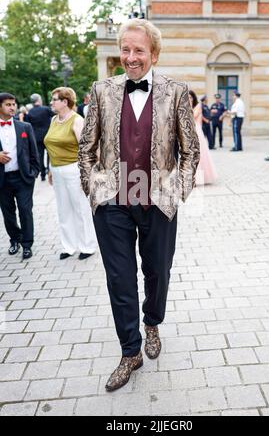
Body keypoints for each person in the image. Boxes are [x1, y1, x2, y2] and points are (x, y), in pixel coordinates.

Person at [78, 19, 200, 392]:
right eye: (125, 50)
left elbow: (189, 150)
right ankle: (129, 350)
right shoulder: (102, 90)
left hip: (157, 199)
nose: (130, 58)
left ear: (154, 54)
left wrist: (177, 189)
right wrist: (94, 190)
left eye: (139, 51)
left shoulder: (177, 92)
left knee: (158, 272)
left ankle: (152, 322)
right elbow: (86, 146)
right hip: (113, 200)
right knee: (119, 278)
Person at [44, 87, 98, 261]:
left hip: (74, 169)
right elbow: (51, 146)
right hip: (57, 170)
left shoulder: (77, 120)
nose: (51, 102)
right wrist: (51, 171)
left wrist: (86, 174)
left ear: (65, 102)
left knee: (80, 208)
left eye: (54, 99)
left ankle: (87, 246)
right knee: (63, 209)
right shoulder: (53, 119)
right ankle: (69, 246)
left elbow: (86, 149)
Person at [0, 93, 40, 260]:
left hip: (23, 178)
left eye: (13, 104)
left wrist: (34, 173)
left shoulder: (24, 127)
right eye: (8, 104)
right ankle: (14, 240)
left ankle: (27, 244)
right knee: (8, 213)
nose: (12, 107)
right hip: (2, 180)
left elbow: (33, 152)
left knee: (25, 211)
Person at [189, 90, 217, 185]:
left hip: (196, 132)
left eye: (190, 97)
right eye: (187, 97)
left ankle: (198, 179)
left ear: (194, 98)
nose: (189, 99)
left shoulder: (198, 106)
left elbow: (192, 117)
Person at [26, 94, 54, 181]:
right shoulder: (45, 109)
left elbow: (28, 125)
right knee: (50, 154)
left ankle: (42, 175)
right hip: (48, 135)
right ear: (38, 99)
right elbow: (55, 115)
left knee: (40, 156)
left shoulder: (30, 112)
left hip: (36, 137)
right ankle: (50, 171)